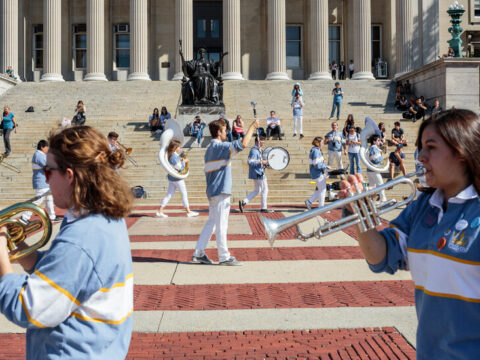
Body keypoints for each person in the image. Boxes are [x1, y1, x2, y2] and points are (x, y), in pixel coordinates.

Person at [338, 109, 480, 359]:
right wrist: (360, 215)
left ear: (461, 152)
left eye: (431, 147)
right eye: (420, 147)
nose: (421, 156)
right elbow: (381, 257)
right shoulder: (421, 206)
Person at [0, 126, 134, 359]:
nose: (45, 177)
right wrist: (22, 251)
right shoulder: (103, 217)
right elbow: (72, 276)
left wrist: (2, 260)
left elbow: (29, 308)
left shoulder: (81, 238)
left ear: (69, 176)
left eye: (48, 171)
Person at [192, 116, 259, 266]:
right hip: (221, 191)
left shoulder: (209, 149)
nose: (227, 132)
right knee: (221, 224)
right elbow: (243, 144)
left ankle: (199, 253)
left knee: (212, 223)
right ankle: (223, 256)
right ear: (218, 132)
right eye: (224, 130)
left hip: (212, 191)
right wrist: (253, 127)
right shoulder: (220, 147)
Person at [20, 140, 60, 225]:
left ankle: (52, 217)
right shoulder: (39, 155)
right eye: (46, 147)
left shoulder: (40, 155)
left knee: (49, 199)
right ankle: (24, 217)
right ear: (42, 147)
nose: (47, 149)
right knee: (37, 201)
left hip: (44, 181)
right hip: (41, 182)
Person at [156, 140, 198, 218]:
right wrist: (184, 161)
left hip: (172, 178)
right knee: (184, 194)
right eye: (178, 146)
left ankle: (160, 210)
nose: (179, 148)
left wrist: (182, 155)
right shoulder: (173, 156)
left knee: (169, 195)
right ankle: (188, 212)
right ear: (175, 147)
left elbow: (177, 160)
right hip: (177, 178)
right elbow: (179, 167)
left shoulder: (172, 155)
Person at [238, 136, 271, 213]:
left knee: (257, 190)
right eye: (262, 142)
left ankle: (244, 202)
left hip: (257, 172)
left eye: (263, 142)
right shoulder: (254, 151)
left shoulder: (257, 150)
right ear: (257, 142)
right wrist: (261, 162)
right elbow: (250, 162)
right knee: (265, 189)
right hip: (259, 173)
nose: (263, 143)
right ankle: (264, 208)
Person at [305, 136, 329, 210]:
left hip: (317, 173)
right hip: (318, 173)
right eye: (321, 142)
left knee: (320, 190)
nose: (323, 144)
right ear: (318, 143)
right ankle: (321, 208)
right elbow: (316, 164)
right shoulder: (316, 151)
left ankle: (309, 201)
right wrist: (326, 166)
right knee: (322, 190)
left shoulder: (315, 150)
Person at [366, 134, 387, 202]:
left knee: (372, 186)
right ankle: (383, 199)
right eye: (378, 140)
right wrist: (384, 156)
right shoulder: (374, 148)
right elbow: (376, 159)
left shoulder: (370, 148)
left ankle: (370, 200)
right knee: (381, 185)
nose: (379, 141)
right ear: (374, 141)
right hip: (374, 170)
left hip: (370, 170)